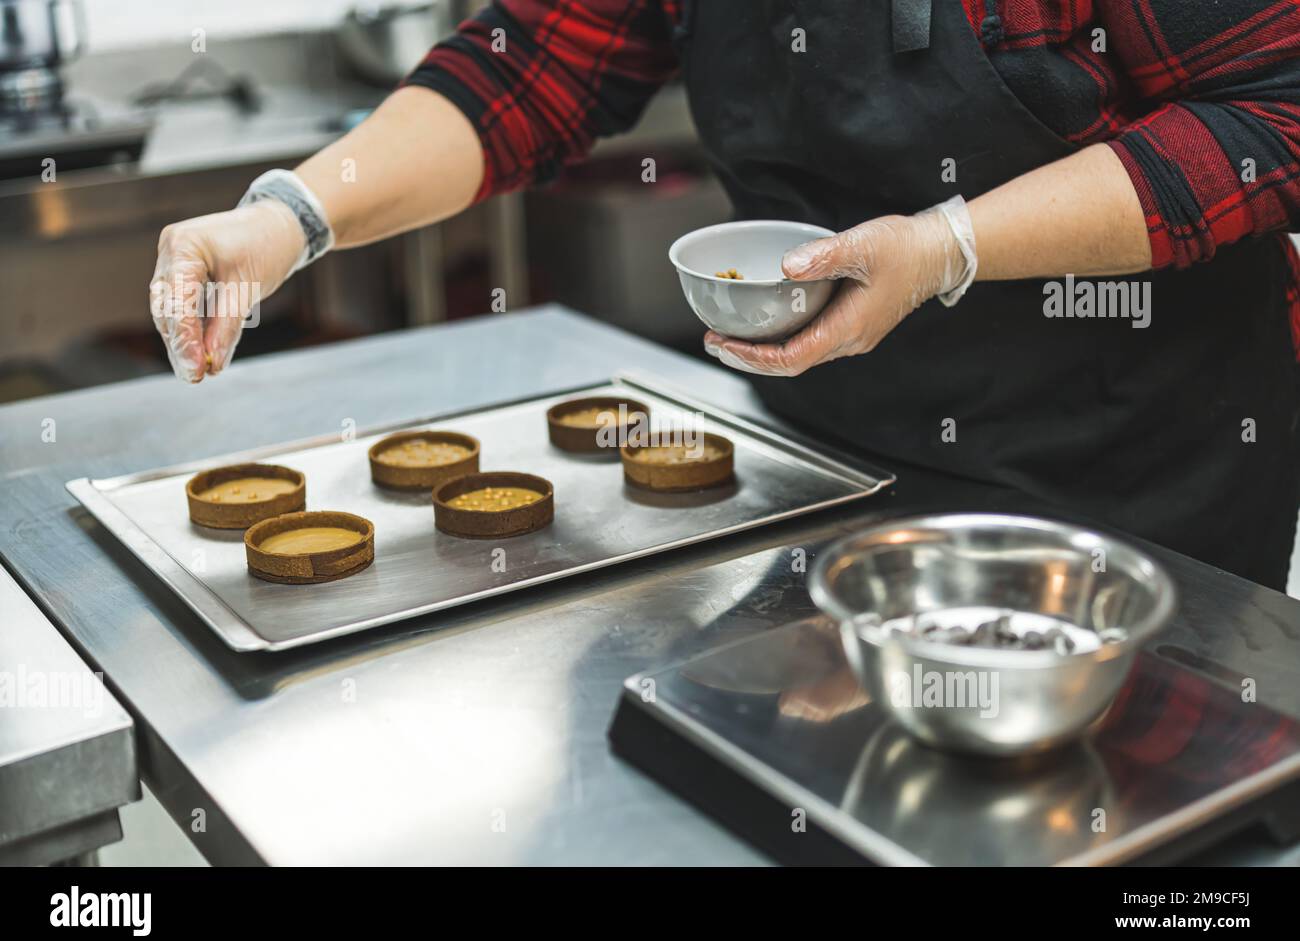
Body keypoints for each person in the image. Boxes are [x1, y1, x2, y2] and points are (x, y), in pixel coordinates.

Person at [150, 1, 1300, 589]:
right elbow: (532, 66)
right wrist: (291, 216)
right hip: (828, 461)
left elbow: (1272, 112)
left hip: (1134, 476)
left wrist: (948, 245)